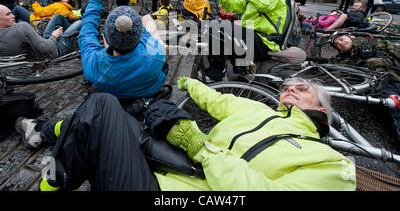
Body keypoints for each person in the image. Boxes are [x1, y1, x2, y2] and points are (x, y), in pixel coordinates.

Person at [15, 76, 356, 191]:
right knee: (104, 113)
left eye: (302, 88)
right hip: (170, 171)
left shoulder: (333, 166)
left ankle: (49, 168)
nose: (291, 89)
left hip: (174, 185)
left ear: (323, 110)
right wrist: (189, 83)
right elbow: (219, 100)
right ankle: (46, 138)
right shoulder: (260, 110)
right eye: (288, 86)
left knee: (100, 108)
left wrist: (200, 147)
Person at [77, 0, 168, 99]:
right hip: (149, 89)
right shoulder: (157, 54)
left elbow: (87, 33)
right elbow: (144, 33)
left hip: (114, 89)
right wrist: (124, 8)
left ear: (108, 40)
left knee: (107, 32)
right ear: (138, 36)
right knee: (147, 19)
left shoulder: (94, 67)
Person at [204, 0, 287, 82]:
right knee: (215, 27)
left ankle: (217, 74)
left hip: (266, 42)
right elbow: (228, 6)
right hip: (253, 39)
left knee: (218, 27)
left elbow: (263, 3)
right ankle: (241, 70)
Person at [329, 31, 400, 143]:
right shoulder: (343, 61)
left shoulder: (376, 45)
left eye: (341, 39)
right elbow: (324, 66)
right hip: (383, 86)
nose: (341, 43)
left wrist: (384, 55)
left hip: (396, 76)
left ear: (350, 37)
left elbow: (394, 51)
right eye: (337, 43)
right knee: (395, 110)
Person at [0, 4, 81, 59]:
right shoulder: (21, 27)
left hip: (41, 42)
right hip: (55, 49)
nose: (13, 16)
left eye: (11, 13)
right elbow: (47, 48)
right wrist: (54, 36)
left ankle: (73, 35)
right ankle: (75, 37)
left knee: (58, 17)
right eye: (8, 14)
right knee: (79, 23)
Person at [12, 0, 79, 27]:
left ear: (67, 0)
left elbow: (40, 12)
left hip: (37, 22)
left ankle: (8, 27)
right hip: (47, 25)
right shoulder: (70, 12)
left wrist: (35, 3)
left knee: (18, 9)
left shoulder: (58, 5)